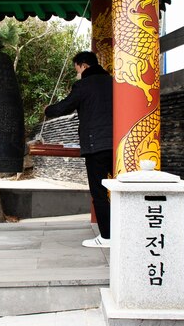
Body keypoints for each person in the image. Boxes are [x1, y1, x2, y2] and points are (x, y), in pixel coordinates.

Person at [45, 51, 113, 248]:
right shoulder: (113, 82)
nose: (77, 74)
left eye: (77, 69)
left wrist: (48, 110)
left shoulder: (83, 85)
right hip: (118, 146)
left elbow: (64, 107)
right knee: (120, 190)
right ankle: (122, 231)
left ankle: (107, 237)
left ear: (83, 66)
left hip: (96, 147)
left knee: (99, 193)